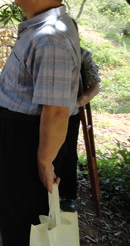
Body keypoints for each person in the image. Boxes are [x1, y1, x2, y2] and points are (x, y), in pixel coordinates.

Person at [0, 0, 81, 246]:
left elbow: (57, 110)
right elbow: (39, 85)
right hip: (18, 135)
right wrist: (0, 93)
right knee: (15, 212)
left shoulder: (51, 37)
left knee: (24, 221)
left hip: (25, 143)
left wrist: (45, 162)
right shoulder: (42, 28)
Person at [58, 19, 101, 212]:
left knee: (68, 153)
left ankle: (68, 195)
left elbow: (94, 86)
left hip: (70, 113)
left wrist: (78, 102)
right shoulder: (48, 51)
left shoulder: (83, 54)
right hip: (43, 112)